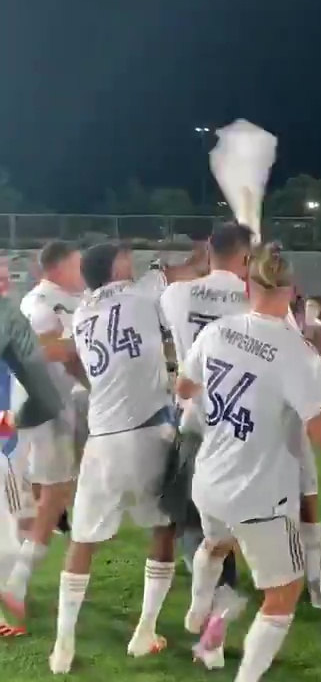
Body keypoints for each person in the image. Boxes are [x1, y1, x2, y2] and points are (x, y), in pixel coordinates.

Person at [176, 244, 321, 682]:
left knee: (215, 545)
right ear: (292, 289)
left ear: (247, 284)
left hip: (210, 478)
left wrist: (228, 413)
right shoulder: (296, 352)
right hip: (257, 492)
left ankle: (199, 607)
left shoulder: (217, 332)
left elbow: (184, 386)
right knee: (284, 592)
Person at [48, 241, 207, 674]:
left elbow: (70, 358)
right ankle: (144, 631)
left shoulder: (81, 313)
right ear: (116, 268)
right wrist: (199, 258)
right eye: (126, 259)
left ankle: (63, 644)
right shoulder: (141, 293)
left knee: (82, 541)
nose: (132, 263)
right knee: (164, 529)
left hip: (102, 438)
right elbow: (182, 274)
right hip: (147, 432)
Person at [159, 223, 253, 668]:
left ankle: (208, 620)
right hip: (244, 428)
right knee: (227, 534)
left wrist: (197, 265)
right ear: (246, 258)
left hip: (195, 423)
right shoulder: (256, 296)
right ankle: (214, 631)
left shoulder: (178, 295)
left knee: (198, 529)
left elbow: (172, 287)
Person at [0, 242, 86, 624]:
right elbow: (41, 349)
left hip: (54, 407)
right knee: (55, 495)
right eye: (76, 265)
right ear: (58, 268)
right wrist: (78, 345)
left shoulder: (73, 298)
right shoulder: (41, 302)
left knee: (40, 498)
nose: (82, 271)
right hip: (44, 407)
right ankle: (15, 583)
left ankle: (12, 575)